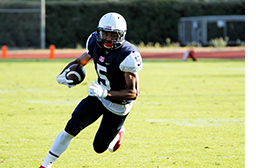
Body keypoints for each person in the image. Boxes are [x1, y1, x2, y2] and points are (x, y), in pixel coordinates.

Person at [39, 12, 143, 168]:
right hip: (98, 95)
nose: (107, 39)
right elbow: (80, 62)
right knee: (70, 128)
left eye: (112, 35)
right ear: (99, 32)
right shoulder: (95, 41)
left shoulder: (127, 55)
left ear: (121, 35)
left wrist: (106, 93)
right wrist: (65, 74)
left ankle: (118, 131)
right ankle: (45, 166)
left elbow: (133, 93)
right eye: (105, 34)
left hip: (118, 104)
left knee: (100, 147)